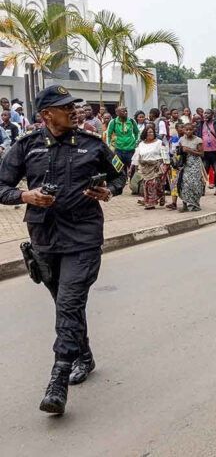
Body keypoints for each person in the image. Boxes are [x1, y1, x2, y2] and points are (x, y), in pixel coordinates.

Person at [0, 85, 125, 414]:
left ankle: (58, 380)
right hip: (44, 238)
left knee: (69, 303)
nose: (73, 110)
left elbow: (119, 176)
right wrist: (25, 196)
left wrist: (108, 192)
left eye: (74, 106)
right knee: (66, 306)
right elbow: (2, 186)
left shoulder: (92, 144)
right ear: (46, 115)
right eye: (64, 107)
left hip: (83, 236)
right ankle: (84, 356)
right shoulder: (26, 147)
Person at [131, 123, 170, 210]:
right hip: (145, 167)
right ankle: (152, 199)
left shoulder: (159, 143)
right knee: (146, 184)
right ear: (145, 133)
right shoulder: (141, 144)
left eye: (152, 132)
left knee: (152, 184)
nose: (150, 134)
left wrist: (166, 165)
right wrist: (133, 166)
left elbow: (165, 155)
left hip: (156, 166)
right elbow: (137, 156)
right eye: (148, 132)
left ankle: (151, 202)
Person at [195, 109, 216, 195]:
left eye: (208, 113)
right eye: (205, 113)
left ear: (212, 115)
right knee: (204, 172)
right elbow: (198, 138)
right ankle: (202, 189)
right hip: (204, 152)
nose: (206, 115)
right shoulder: (200, 125)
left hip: (215, 152)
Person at [176, 123, 204, 212]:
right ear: (183, 130)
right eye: (186, 130)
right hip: (185, 163)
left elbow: (201, 153)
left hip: (195, 164)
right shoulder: (181, 139)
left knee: (194, 184)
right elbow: (178, 151)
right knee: (184, 184)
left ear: (193, 130)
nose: (188, 131)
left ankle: (195, 204)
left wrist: (190, 150)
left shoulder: (198, 140)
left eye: (190, 130)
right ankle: (185, 205)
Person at [105, 107, 139, 178]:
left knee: (132, 169)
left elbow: (137, 133)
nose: (125, 113)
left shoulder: (132, 121)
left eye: (126, 111)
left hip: (131, 149)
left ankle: (132, 185)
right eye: (122, 111)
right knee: (118, 169)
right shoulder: (113, 122)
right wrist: (108, 145)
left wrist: (137, 141)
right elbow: (108, 135)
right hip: (118, 149)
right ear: (117, 113)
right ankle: (121, 184)